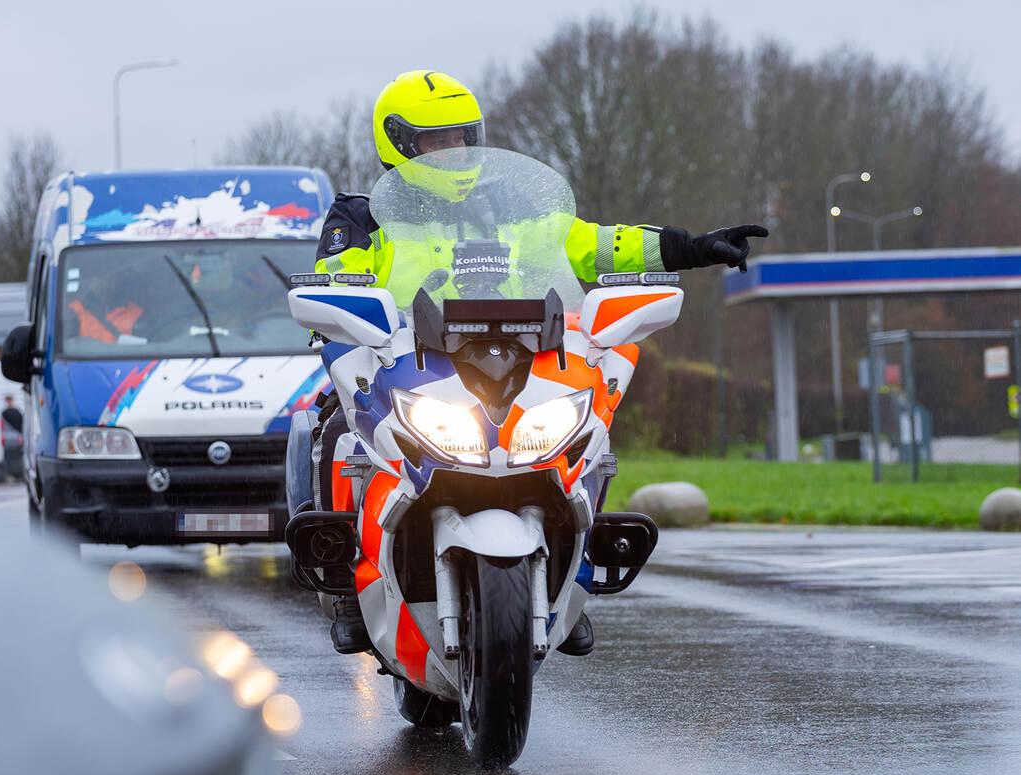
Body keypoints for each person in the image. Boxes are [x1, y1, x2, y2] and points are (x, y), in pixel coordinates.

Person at [310, 69, 768, 655]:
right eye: (437, 140)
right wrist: (341, 307)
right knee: (337, 431)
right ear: (398, 143)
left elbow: (597, 245)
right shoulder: (362, 216)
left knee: (585, 430)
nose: (454, 150)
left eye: (461, 137)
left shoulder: (510, 208)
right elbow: (335, 279)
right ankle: (349, 589)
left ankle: (573, 576)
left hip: (515, 356)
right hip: (410, 362)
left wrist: (692, 247)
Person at [0, 395, 23, 480]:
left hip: (15, 438)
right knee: (11, 457)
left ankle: (17, 474)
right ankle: (13, 474)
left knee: (16, 456)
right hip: (10, 439)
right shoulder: (7, 413)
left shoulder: (14, 412)